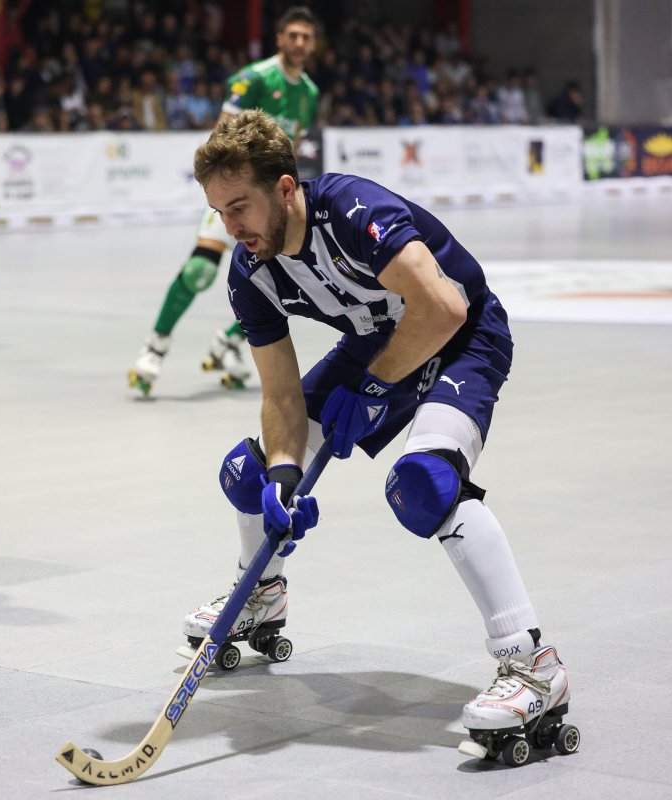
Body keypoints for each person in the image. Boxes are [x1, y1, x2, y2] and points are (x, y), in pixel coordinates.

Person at [182, 109, 571, 757]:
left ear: (285, 189)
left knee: (425, 484)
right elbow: (280, 396)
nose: (231, 228)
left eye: (240, 207)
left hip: (464, 337)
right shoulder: (252, 270)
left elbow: (444, 307)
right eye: (219, 212)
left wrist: (372, 386)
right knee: (252, 474)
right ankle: (264, 592)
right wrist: (283, 473)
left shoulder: (351, 212)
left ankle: (534, 667)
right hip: (378, 344)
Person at [128, 6, 320, 395]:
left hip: (272, 200)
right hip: (235, 193)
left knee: (290, 278)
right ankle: (155, 347)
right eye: (293, 35)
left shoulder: (310, 93)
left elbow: (292, 149)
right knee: (201, 270)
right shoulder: (254, 79)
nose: (299, 43)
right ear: (280, 39)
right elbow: (221, 136)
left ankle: (229, 342)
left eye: (307, 37)